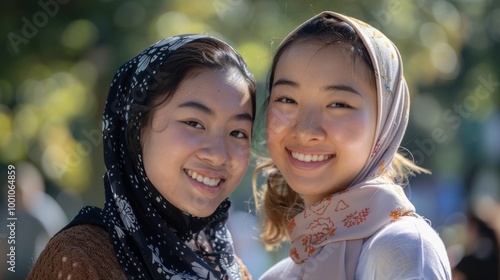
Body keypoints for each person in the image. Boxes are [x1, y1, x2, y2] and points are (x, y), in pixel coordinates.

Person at [28, 34, 256, 280]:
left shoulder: (232, 270)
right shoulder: (80, 260)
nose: (218, 155)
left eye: (237, 132)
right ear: (136, 129)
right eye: (194, 123)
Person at [252, 11, 452, 279]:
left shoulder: (403, 249)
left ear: (385, 121)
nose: (305, 130)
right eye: (287, 99)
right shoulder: (278, 275)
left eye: (338, 104)